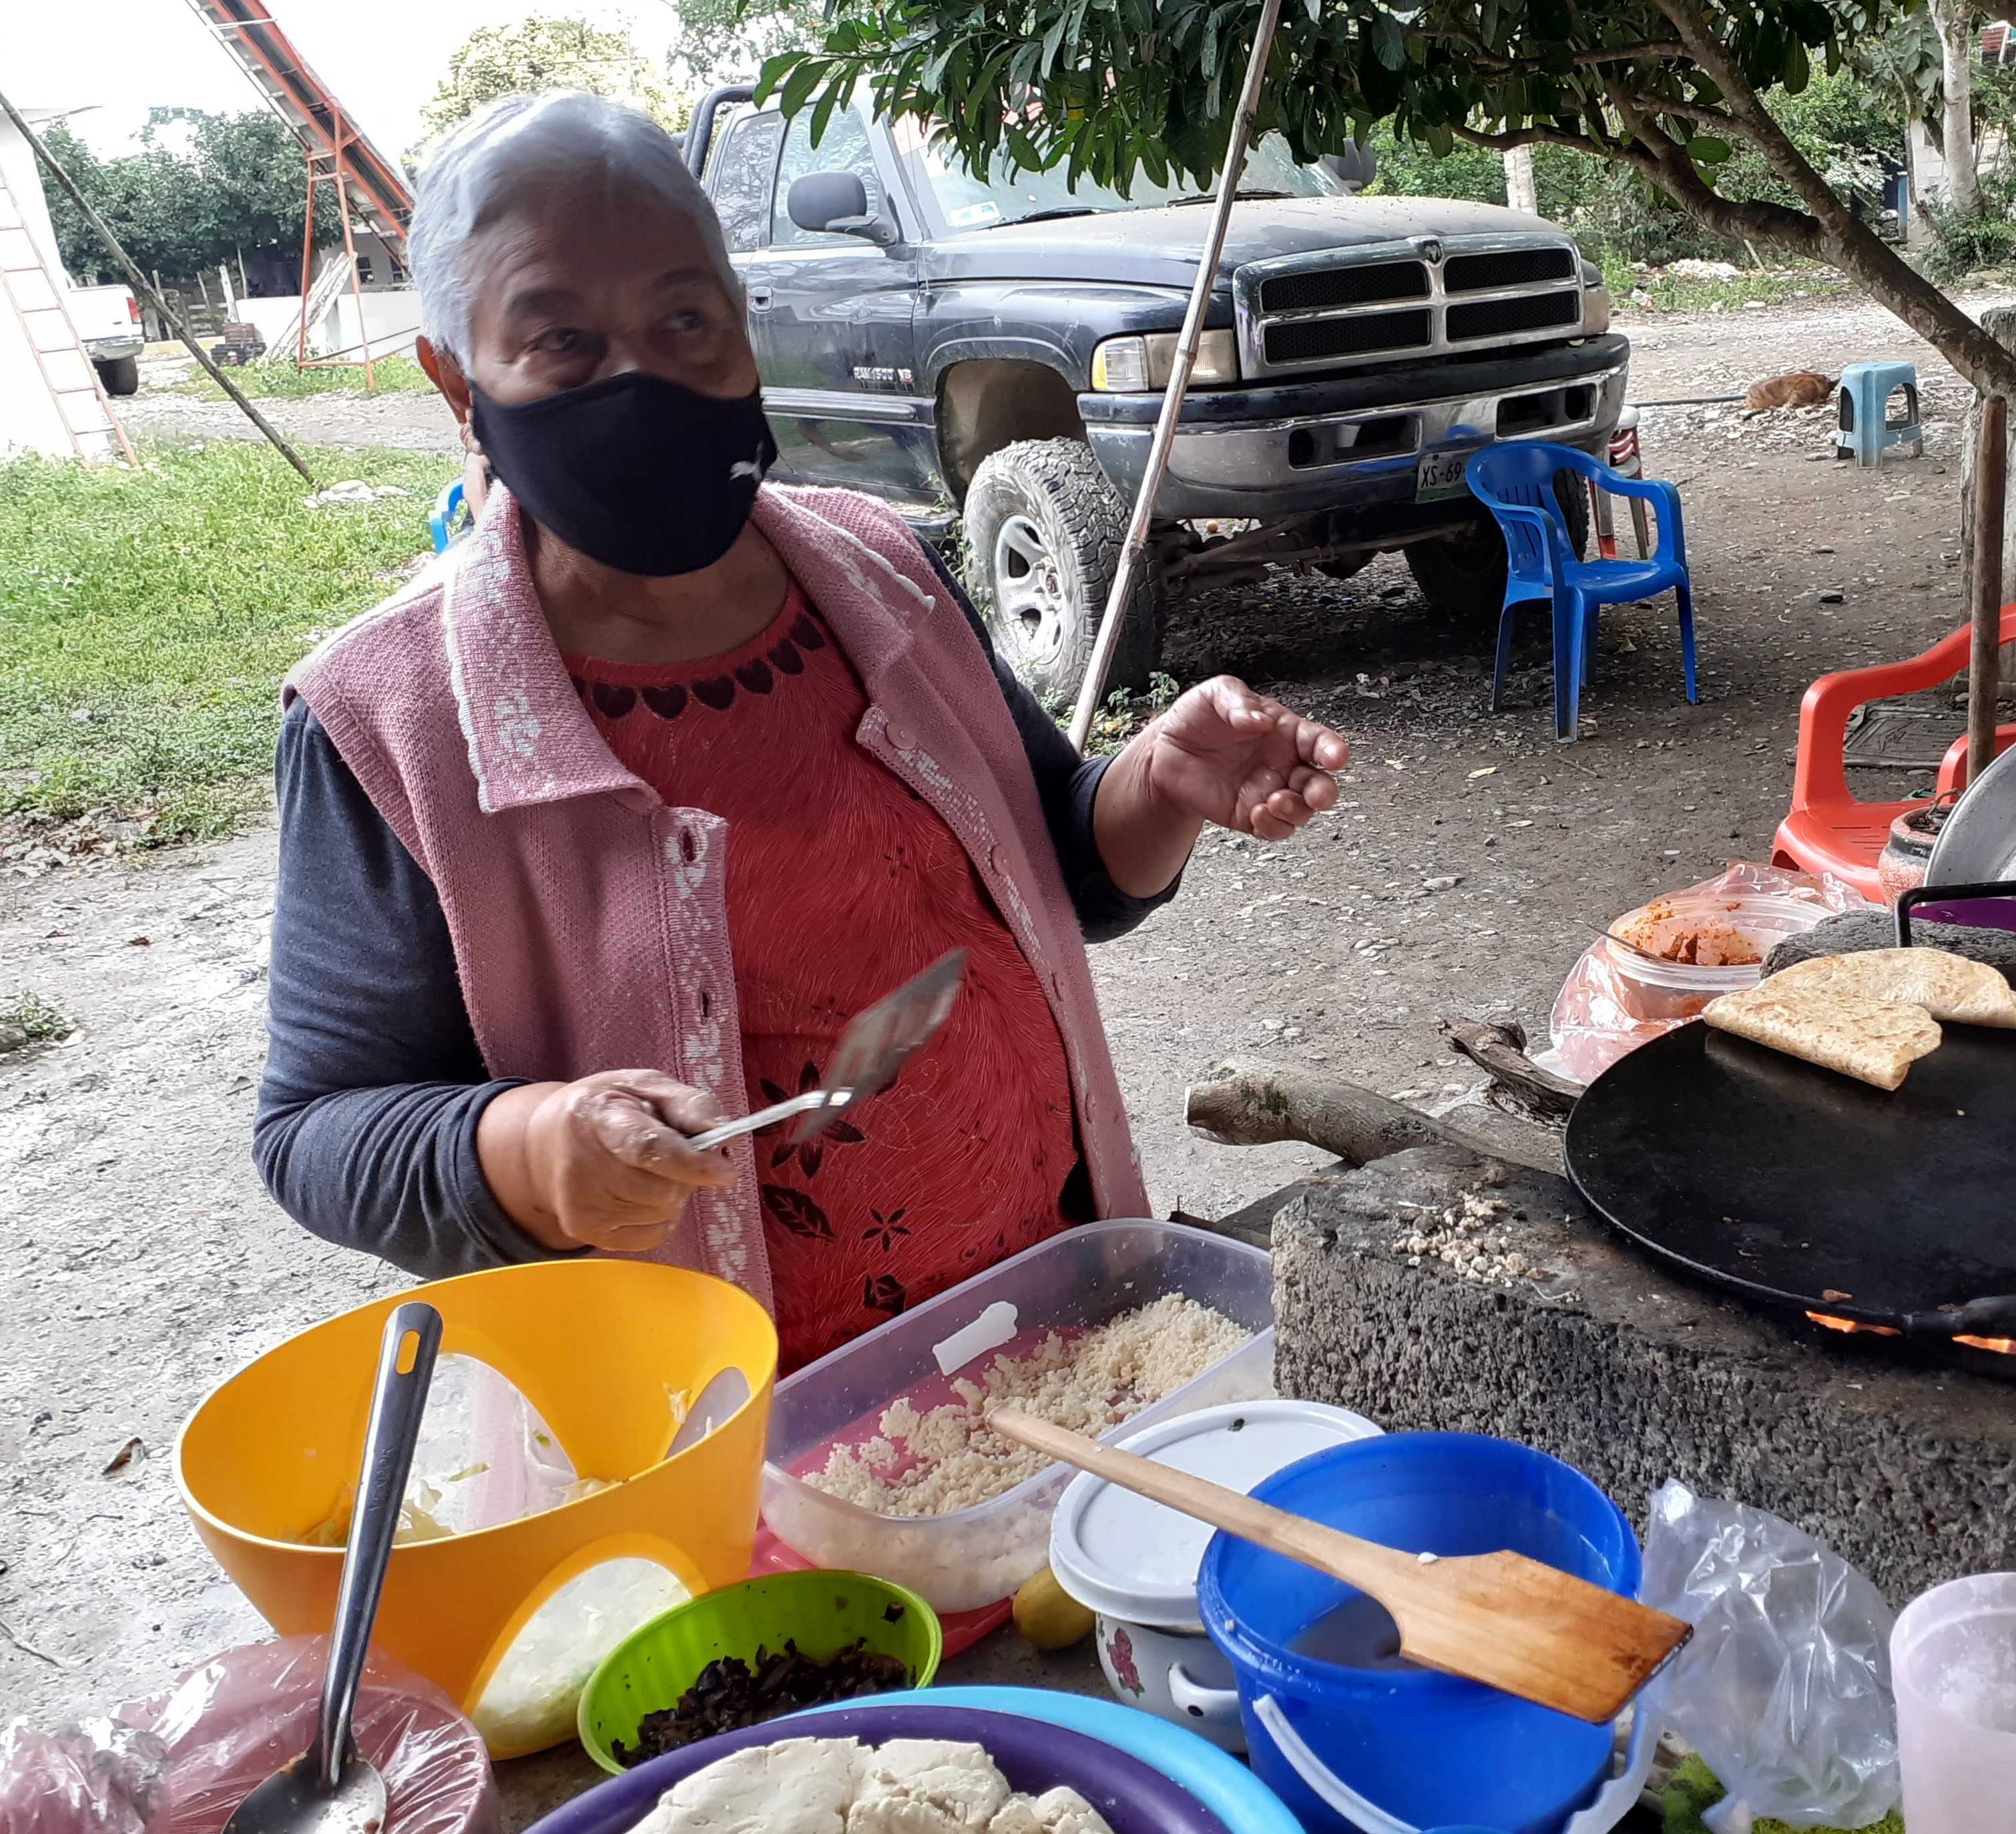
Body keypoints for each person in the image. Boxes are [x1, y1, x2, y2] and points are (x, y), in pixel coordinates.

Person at [254, 91, 1349, 1371]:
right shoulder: (385, 720)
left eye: (685, 320)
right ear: (458, 379)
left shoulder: (882, 571)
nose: (642, 383)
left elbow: (1050, 875)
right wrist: (532, 1148)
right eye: (558, 340)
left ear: (741, 314)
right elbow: (316, 1129)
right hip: (738, 1434)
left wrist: (1157, 786)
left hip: (1066, 1324)